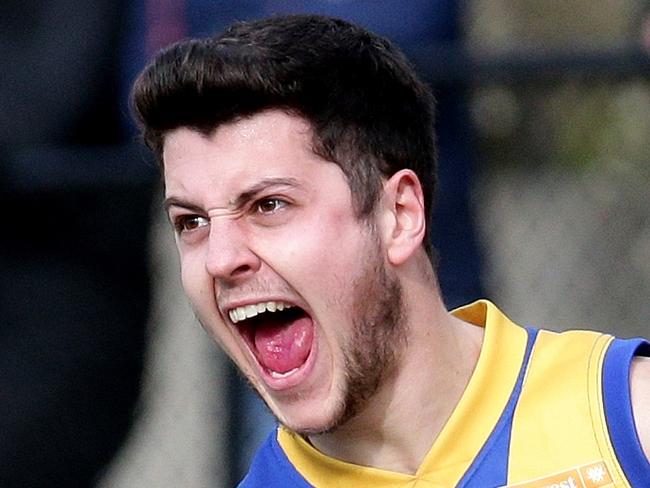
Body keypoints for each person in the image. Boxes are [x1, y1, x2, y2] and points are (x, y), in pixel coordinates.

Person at [131, 14, 650, 487]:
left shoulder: (627, 417)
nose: (220, 259)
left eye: (268, 205)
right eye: (191, 221)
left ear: (399, 214)